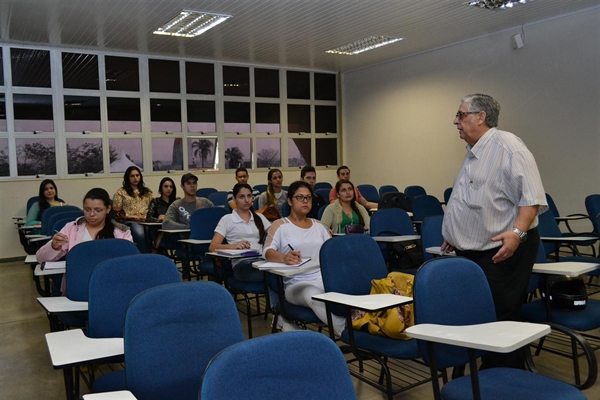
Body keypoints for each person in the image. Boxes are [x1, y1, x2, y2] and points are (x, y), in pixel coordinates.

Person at [440, 94, 547, 370]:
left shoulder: (508, 147)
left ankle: (503, 378)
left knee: (501, 315)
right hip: (476, 250)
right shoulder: (475, 152)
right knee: (482, 314)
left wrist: (516, 233)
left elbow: (531, 198)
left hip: (503, 249)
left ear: (480, 117)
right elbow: (472, 199)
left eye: (461, 115)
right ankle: (490, 371)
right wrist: (455, 232)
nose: (456, 121)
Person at [263, 181, 346, 334]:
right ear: (289, 201)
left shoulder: (319, 225)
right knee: (314, 295)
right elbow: (267, 251)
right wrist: (283, 257)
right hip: (297, 284)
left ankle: (361, 323)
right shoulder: (280, 225)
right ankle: (345, 331)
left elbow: (332, 253)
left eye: (308, 197)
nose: (305, 201)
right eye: (300, 197)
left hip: (323, 279)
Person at [36, 188, 133, 295]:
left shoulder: (121, 232)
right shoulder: (72, 228)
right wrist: (53, 246)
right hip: (78, 284)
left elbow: (130, 263)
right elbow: (40, 258)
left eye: (98, 210)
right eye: (87, 209)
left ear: (108, 209)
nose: (92, 214)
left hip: (113, 285)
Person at [209, 183, 271, 282]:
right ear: (234, 199)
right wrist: (234, 246)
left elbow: (275, 236)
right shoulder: (227, 219)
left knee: (277, 274)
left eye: (249, 196)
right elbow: (212, 247)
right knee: (273, 277)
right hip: (242, 264)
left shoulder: (260, 217)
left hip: (262, 260)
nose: (247, 200)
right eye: (242, 197)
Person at [112, 166, 153, 253]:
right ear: (127, 178)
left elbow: (153, 208)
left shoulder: (147, 192)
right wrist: (134, 217)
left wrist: (147, 216)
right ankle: (146, 255)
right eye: (132, 176)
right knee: (140, 233)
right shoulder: (121, 192)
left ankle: (155, 254)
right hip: (130, 221)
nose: (135, 178)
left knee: (152, 232)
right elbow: (116, 213)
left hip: (146, 220)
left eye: (137, 175)